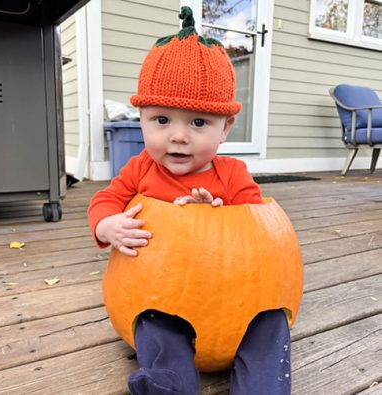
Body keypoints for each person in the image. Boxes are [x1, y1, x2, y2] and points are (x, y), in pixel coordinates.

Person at [88, 7, 291, 395]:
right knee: (153, 326)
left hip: (239, 302)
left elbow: (260, 230)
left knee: (271, 324)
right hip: (161, 295)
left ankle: (263, 388)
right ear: (141, 118)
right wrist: (106, 225)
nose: (179, 136)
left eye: (198, 123)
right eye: (162, 120)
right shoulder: (139, 169)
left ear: (225, 128)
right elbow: (106, 198)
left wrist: (221, 215)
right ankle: (169, 384)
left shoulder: (232, 175)